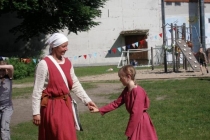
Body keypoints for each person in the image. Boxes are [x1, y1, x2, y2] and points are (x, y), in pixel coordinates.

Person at [32, 33, 97, 140]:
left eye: (66, 46)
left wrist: (87, 100)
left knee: (68, 135)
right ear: (54, 46)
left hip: (66, 105)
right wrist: (36, 113)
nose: (66, 49)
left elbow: (75, 83)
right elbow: (37, 90)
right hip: (51, 107)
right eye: (63, 46)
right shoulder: (44, 64)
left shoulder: (68, 63)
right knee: (57, 135)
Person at [90, 65, 158, 140]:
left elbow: (136, 113)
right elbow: (116, 103)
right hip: (135, 120)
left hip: (140, 121)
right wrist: (99, 109)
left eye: (121, 77)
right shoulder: (127, 90)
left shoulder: (138, 91)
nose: (120, 80)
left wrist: (129, 130)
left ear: (128, 76)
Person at [0, 60, 14, 140]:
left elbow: (11, 67)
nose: (1, 72)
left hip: (7, 107)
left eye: (3, 70)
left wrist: (1, 66)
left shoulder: (9, 77)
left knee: (4, 128)